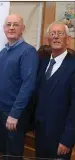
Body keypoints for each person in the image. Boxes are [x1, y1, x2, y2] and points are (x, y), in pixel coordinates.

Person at [0, 14, 39, 158]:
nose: (11, 28)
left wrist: (14, 114)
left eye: (16, 24)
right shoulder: (3, 52)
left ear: (23, 28)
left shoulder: (28, 52)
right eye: (8, 24)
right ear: (4, 28)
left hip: (13, 115)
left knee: (13, 155)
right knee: (4, 151)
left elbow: (28, 84)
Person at [34, 22, 75, 160]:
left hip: (60, 137)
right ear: (47, 40)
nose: (56, 37)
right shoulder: (42, 62)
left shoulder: (73, 66)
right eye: (52, 34)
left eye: (60, 34)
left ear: (68, 39)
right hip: (39, 134)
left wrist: (67, 139)